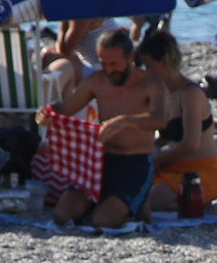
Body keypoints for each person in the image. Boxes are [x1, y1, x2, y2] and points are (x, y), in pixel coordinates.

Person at [36, 27, 166, 228]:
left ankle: (133, 202)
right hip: (99, 160)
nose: (109, 70)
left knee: (104, 222)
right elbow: (66, 108)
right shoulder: (97, 80)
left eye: (114, 64)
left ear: (130, 57)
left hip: (135, 162)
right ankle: (116, 202)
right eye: (103, 63)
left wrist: (125, 121)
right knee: (62, 216)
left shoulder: (150, 83)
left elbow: (160, 120)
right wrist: (47, 113)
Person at [135, 29, 217, 210]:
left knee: (153, 198)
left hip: (199, 171)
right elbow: (167, 136)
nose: (147, 72)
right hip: (171, 168)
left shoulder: (190, 93)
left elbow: (190, 144)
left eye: (150, 66)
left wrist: (156, 160)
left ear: (165, 61)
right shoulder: (164, 92)